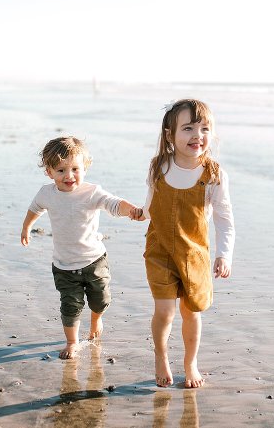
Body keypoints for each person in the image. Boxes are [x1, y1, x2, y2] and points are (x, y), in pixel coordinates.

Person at [133, 99, 235, 388]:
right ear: (170, 135)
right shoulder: (159, 166)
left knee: (192, 312)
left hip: (195, 255)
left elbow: (225, 219)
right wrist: (140, 213)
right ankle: (161, 356)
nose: (197, 135)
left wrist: (224, 255)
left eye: (204, 128)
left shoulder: (214, 174)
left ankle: (191, 362)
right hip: (159, 251)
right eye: (187, 128)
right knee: (165, 312)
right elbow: (151, 204)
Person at [21, 136, 140, 359]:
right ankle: (72, 341)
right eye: (61, 170)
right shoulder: (46, 194)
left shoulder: (91, 192)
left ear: (85, 167)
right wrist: (27, 227)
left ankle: (96, 320)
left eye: (75, 168)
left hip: (94, 260)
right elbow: (35, 208)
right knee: (70, 306)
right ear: (49, 172)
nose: (69, 176)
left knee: (101, 300)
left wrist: (131, 210)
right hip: (64, 265)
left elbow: (113, 204)